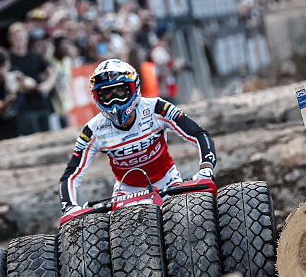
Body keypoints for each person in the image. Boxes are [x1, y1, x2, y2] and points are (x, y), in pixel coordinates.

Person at [58, 59, 215, 211]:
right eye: (107, 94)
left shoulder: (156, 108)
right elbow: (71, 174)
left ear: (133, 88)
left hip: (168, 182)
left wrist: (206, 168)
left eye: (120, 91)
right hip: (127, 193)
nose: (114, 101)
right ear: (97, 97)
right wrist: (69, 207)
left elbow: (198, 134)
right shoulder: (93, 129)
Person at [6, 23, 56, 135]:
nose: (20, 40)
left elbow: (51, 69)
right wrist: (29, 84)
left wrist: (48, 83)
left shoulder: (33, 55)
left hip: (41, 105)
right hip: (24, 108)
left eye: (22, 37)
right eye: (17, 38)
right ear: (11, 39)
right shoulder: (9, 59)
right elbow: (18, 83)